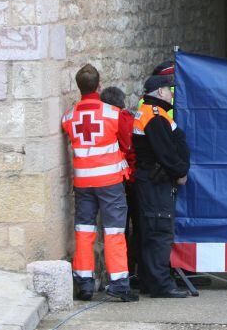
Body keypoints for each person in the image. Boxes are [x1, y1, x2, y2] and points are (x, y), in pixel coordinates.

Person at [61, 65, 137, 302]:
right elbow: (127, 143)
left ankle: (84, 283)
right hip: (110, 182)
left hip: (83, 183)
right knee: (114, 231)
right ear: (99, 84)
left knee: (84, 230)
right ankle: (119, 284)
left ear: (78, 86)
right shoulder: (114, 114)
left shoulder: (69, 116)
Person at [133, 73, 190, 298]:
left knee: (152, 231)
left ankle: (150, 281)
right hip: (155, 182)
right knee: (159, 231)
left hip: (151, 181)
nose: (171, 94)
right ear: (160, 92)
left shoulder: (153, 113)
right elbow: (165, 151)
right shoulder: (154, 116)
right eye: (169, 90)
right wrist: (180, 171)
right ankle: (161, 285)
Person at [100, 87, 142, 286]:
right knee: (130, 228)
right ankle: (130, 272)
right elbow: (128, 146)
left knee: (120, 228)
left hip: (114, 180)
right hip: (128, 179)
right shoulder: (123, 118)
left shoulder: (103, 119)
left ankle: (124, 271)